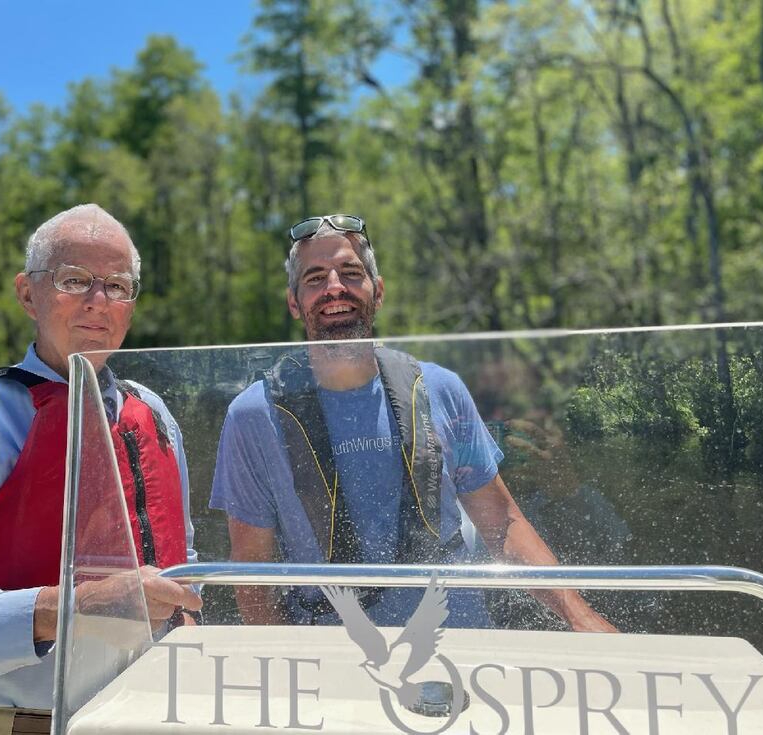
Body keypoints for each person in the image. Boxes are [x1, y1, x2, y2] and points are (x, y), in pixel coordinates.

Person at [0, 204, 202, 734]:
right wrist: (74, 607)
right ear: (28, 294)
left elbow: (184, 566)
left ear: (132, 307)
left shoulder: (155, 416)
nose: (98, 302)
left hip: (149, 718)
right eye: (74, 280)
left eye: (117, 286)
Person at [210, 213, 615, 631]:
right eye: (315, 278)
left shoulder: (442, 388)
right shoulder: (253, 416)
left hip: (457, 641)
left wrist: (579, 616)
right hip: (334, 660)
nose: (334, 288)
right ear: (294, 302)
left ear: (378, 291)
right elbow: (253, 579)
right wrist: (290, 674)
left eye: (351, 273)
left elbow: (503, 525)